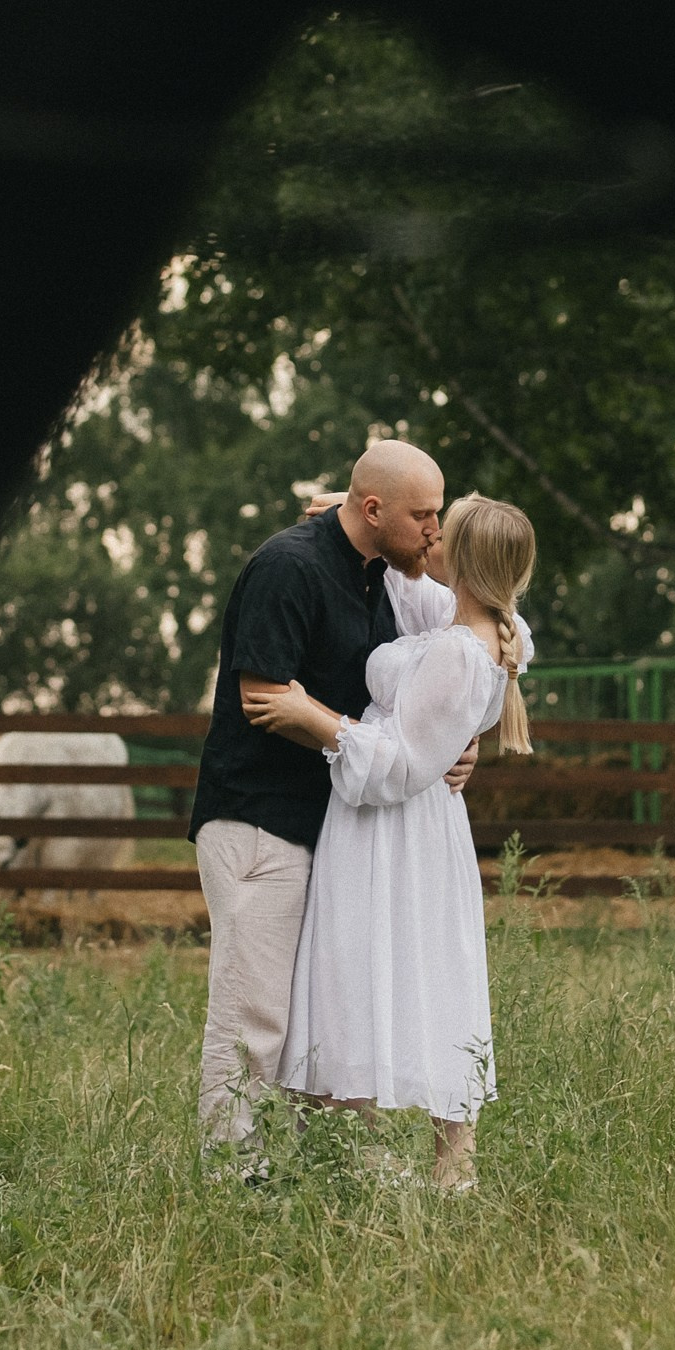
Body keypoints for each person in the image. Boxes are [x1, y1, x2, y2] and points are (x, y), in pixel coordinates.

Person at [187, 439, 472, 1162]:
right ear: (372, 510)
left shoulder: (380, 572)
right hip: (261, 819)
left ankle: (319, 1170)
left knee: (324, 1009)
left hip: (330, 825)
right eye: (423, 516)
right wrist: (384, 751)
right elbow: (263, 697)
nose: (434, 531)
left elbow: (464, 632)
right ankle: (234, 1178)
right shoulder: (289, 568)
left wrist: (443, 743)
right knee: (255, 1013)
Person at [252, 494, 536, 1193]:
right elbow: (427, 598)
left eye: (442, 527)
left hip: (393, 828)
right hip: (400, 828)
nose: (428, 533)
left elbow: (402, 766)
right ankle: (361, 1153)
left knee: (386, 969)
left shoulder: (458, 650)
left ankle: (443, 1166)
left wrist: (313, 718)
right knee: (372, 972)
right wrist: (350, 516)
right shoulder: (464, 625)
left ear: (460, 560)